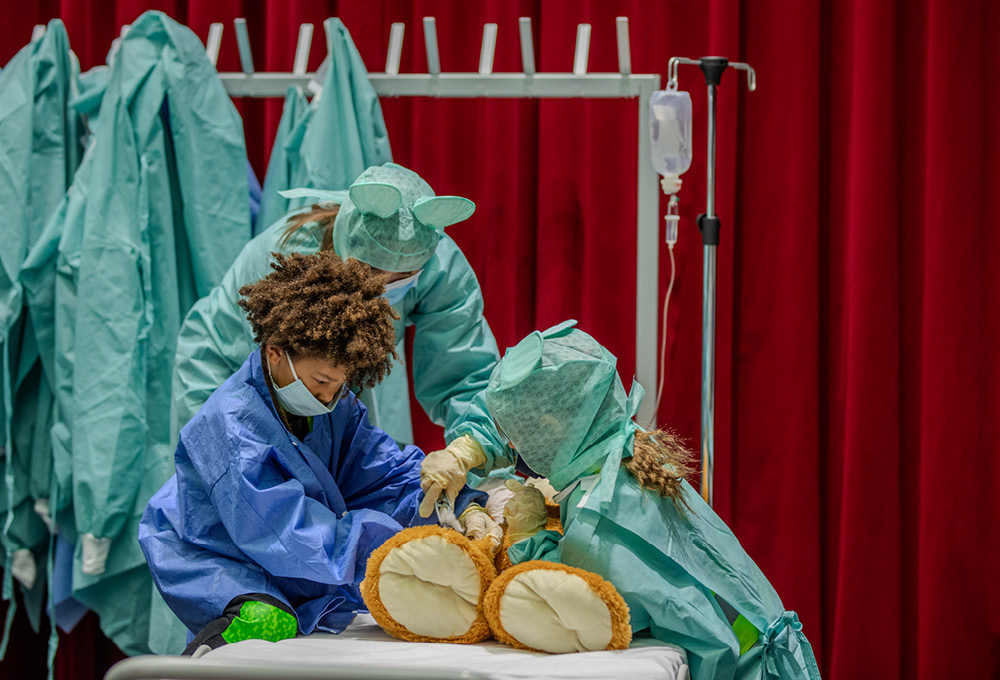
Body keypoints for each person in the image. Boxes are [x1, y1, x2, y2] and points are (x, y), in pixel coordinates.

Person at [139, 252, 497, 655]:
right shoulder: (234, 428)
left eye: (340, 385)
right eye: (321, 381)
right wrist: (401, 549)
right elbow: (286, 532)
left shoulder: (330, 401)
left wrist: (455, 501)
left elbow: (378, 473)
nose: (328, 398)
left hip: (284, 546)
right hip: (214, 554)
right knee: (267, 621)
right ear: (275, 350)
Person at [477, 320, 821, 680]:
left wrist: (529, 537)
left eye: (517, 433)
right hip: (762, 647)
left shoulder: (597, 515)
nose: (515, 446)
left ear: (549, 426)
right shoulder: (627, 450)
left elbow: (573, 606)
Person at [170, 163, 511, 513]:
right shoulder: (288, 259)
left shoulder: (437, 263)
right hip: (224, 370)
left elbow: (465, 375)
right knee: (244, 500)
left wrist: (480, 467)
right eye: (371, 271)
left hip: (316, 382)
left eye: (404, 277)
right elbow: (274, 410)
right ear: (344, 246)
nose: (384, 287)